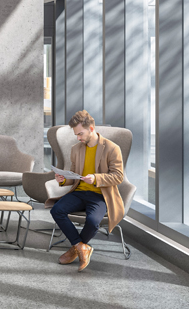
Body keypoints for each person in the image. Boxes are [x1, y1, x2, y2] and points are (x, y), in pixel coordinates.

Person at [48, 110, 125, 271]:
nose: (78, 138)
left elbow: (118, 177)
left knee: (92, 221)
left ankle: (75, 249)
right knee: (57, 210)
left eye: (80, 133)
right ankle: (81, 247)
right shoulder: (76, 149)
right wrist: (64, 180)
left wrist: (96, 178)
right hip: (79, 192)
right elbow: (75, 175)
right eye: (76, 134)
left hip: (100, 195)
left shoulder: (112, 148)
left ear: (91, 128)